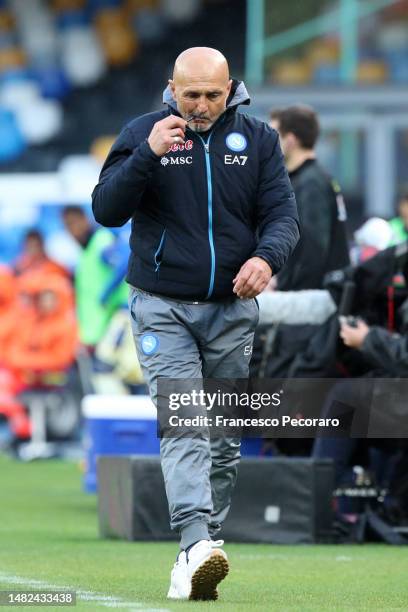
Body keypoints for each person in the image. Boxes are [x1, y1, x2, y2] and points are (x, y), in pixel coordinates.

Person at [92, 47, 299, 600]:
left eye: (213, 94)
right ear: (171, 88)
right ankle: (193, 542)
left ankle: (202, 546)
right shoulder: (142, 133)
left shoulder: (258, 140)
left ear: (231, 88)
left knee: (225, 440)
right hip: (162, 306)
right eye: (192, 95)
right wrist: (147, 157)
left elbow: (282, 214)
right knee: (184, 422)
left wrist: (266, 258)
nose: (203, 105)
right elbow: (106, 210)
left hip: (232, 309)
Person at [270, 105, 349, 290]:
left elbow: (313, 249)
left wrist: (283, 288)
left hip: (313, 295)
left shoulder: (311, 182)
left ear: (290, 140)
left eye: (273, 135)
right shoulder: (308, 178)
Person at [62, 206, 128, 349]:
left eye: (74, 223)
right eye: (67, 226)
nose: (72, 230)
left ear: (85, 219)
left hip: (110, 331)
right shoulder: (85, 252)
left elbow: (125, 262)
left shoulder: (101, 241)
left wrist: (106, 293)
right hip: (93, 335)